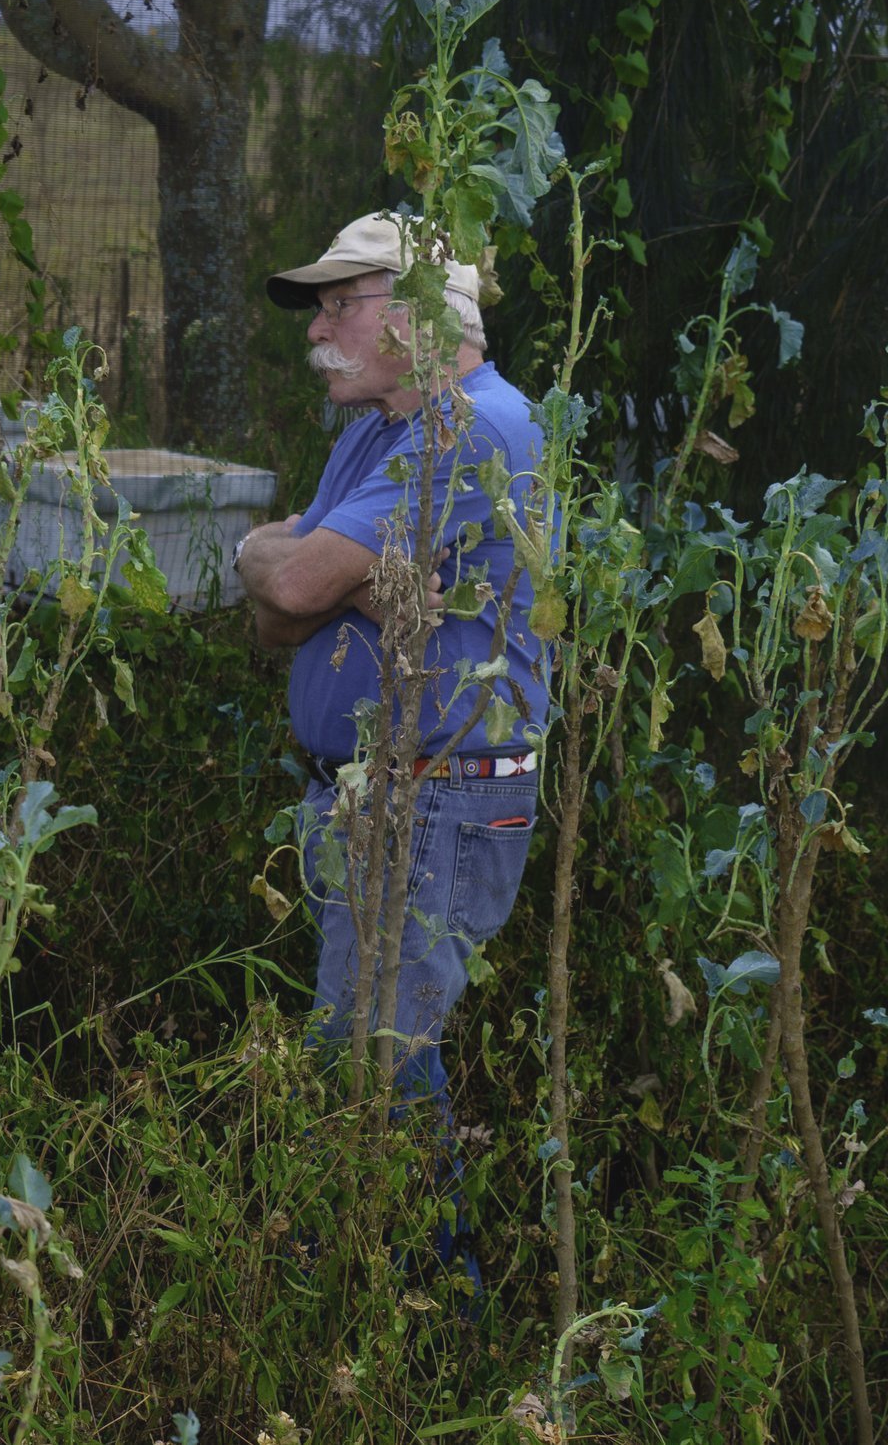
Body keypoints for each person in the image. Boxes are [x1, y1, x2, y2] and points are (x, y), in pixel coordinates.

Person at [235, 212, 548, 1121]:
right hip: (380, 794)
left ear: (414, 311)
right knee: (377, 1082)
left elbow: (290, 582)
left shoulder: (473, 428)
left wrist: (306, 573)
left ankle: (420, 1268)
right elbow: (276, 616)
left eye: (339, 304)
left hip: (435, 800)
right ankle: (397, 1262)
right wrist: (323, 578)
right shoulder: (381, 428)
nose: (316, 329)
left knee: (371, 1089)